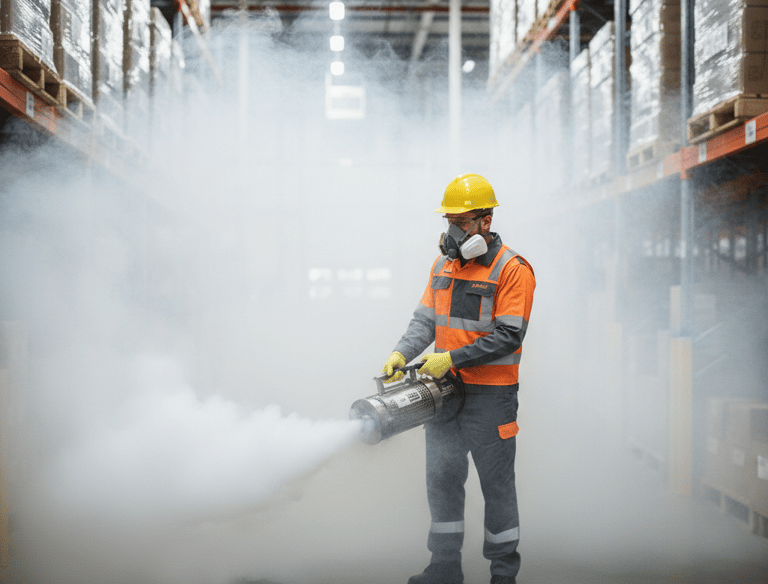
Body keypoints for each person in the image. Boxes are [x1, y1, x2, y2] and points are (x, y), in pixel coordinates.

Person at [381, 173, 536, 584]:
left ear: (486, 221)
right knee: (442, 480)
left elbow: (508, 334)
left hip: (491, 397)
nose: (454, 230)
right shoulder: (443, 265)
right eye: (450, 220)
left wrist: (450, 358)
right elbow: (425, 319)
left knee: (496, 488)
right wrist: (402, 352)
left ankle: (503, 575)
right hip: (444, 394)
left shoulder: (512, 270)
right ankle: (444, 568)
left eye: (463, 222)